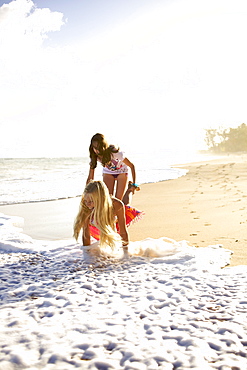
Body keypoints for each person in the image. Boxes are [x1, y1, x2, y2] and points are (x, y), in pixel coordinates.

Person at [73, 181, 143, 249]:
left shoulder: (117, 205)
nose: (87, 204)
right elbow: (86, 235)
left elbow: (123, 231)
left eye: (91, 201)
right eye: (86, 200)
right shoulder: (86, 207)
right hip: (96, 226)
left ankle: (130, 189)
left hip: (114, 223)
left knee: (125, 205)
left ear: (101, 199)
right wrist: (86, 255)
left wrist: (125, 252)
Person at [86, 133, 139, 203]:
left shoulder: (116, 153)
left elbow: (132, 166)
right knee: (108, 200)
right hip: (108, 173)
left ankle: (130, 189)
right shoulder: (94, 156)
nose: (97, 151)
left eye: (99, 148)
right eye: (94, 148)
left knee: (118, 201)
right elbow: (90, 177)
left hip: (122, 172)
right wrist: (86, 192)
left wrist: (134, 184)